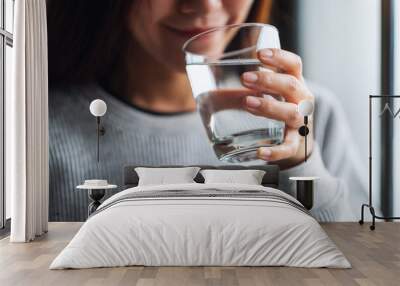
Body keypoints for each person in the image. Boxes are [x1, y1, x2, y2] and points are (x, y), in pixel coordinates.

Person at [47, 0, 367, 222]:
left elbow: (361, 258)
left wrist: (301, 166)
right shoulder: (39, 127)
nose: (206, 6)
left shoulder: (310, 115)